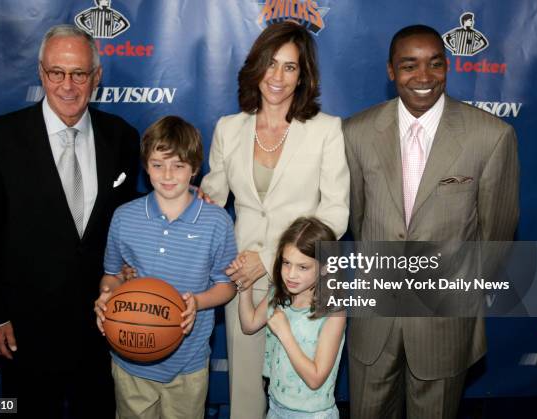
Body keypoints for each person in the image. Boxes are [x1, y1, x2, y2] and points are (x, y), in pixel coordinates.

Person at [343, 24, 519, 418]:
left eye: (435, 64)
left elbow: (497, 236)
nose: (423, 77)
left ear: (447, 66)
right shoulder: (355, 133)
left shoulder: (490, 136)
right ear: (391, 72)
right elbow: (357, 218)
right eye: (409, 65)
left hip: (444, 322)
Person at [0, 24, 140, 418]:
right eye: (56, 73)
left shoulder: (123, 137)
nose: (67, 85)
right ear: (41, 72)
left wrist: (188, 197)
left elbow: (131, 218)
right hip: (26, 329)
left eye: (79, 73)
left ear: (96, 77)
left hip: (102, 326)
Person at [200, 21, 350, 418]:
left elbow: (336, 212)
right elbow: (209, 203)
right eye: (270, 64)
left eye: (290, 67)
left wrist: (271, 259)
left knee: (301, 388)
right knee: (246, 392)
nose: (277, 76)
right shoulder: (229, 129)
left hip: (302, 282)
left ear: (304, 76)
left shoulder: (326, 130)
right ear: (256, 67)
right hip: (244, 279)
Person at [94, 115, 237, 419]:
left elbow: (226, 285)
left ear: (195, 169)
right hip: (130, 359)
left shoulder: (216, 222)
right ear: (146, 166)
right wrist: (107, 297)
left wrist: (197, 302)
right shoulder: (124, 217)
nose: (168, 175)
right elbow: (112, 275)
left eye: (179, 166)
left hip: (188, 363)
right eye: (158, 165)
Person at [237, 217, 346, 419]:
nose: (291, 274)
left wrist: (285, 333)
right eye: (286, 263)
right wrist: (245, 287)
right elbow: (249, 325)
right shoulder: (279, 295)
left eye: (302, 267)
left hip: (313, 414)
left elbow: (315, 379)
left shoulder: (333, 313)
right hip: (275, 407)